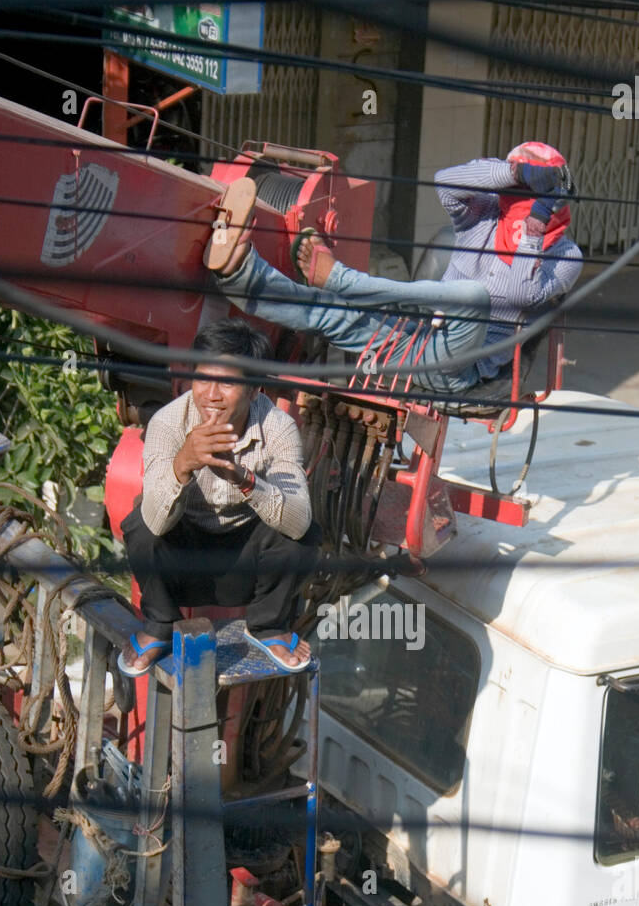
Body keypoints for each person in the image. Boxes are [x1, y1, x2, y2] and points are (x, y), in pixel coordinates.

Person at [204, 143, 583, 395]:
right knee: (333, 315)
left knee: (475, 297)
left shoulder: (566, 254)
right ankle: (243, 278)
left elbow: (515, 291)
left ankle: (342, 279)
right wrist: (514, 174)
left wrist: (532, 229)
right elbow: (446, 182)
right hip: (417, 334)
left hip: (459, 364)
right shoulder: (484, 213)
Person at [117, 319, 322, 677]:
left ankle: (268, 626)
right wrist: (183, 464)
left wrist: (244, 479)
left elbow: (299, 519)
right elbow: (154, 523)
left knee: (303, 530)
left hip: (246, 566)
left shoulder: (279, 428)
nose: (211, 394)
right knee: (141, 523)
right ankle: (159, 624)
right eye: (202, 378)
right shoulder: (168, 423)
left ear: (256, 388)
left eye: (227, 382)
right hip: (185, 564)